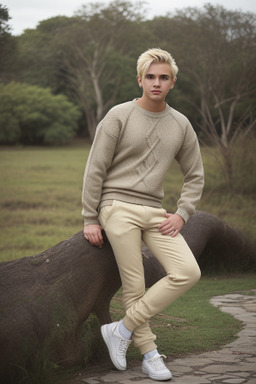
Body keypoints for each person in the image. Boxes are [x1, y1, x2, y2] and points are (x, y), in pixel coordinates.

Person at [81, 48, 204, 381]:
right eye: (150, 76)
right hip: (116, 206)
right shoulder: (119, 116)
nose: (156, 82)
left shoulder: (180, 124)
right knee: (134, 285)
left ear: (172, 82)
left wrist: (182, 213)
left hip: (155, 211)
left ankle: (120, 329)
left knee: (188, 272)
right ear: (140, 79)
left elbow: (195, 174)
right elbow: (96, 167)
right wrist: (89, 217)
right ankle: (150, 355)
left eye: (163, 77)